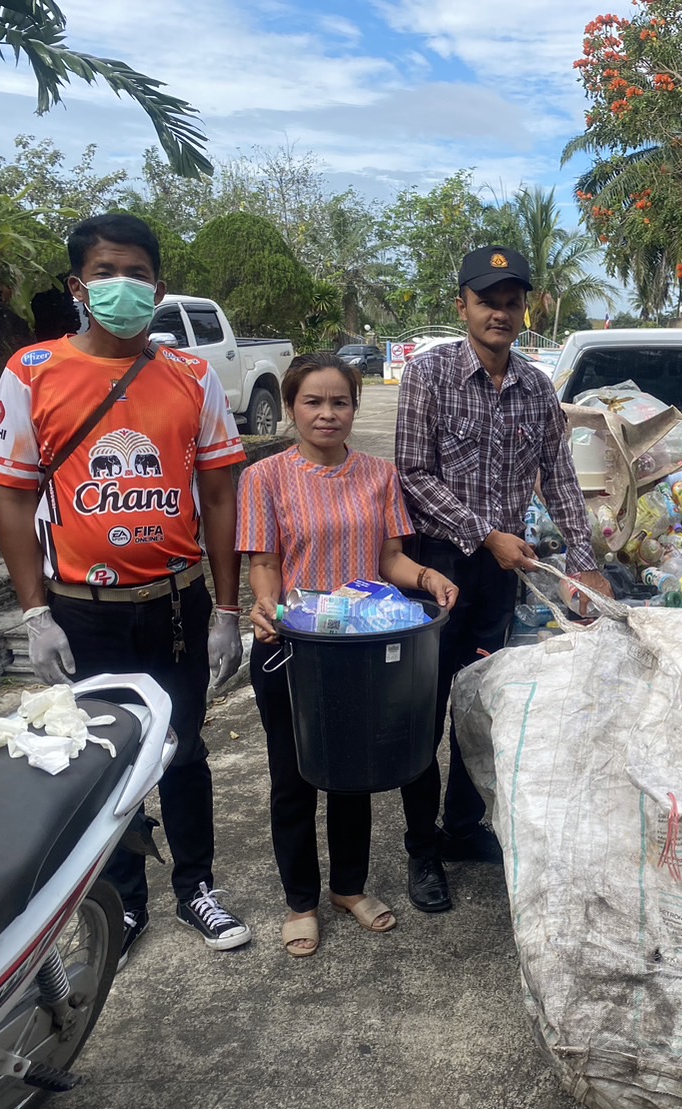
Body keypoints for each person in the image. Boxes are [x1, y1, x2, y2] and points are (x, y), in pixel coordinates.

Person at [0, 212, 251, 966]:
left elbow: (221, 496)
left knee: (184, 750)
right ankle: (123, 897)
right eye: (104, 272)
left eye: (136, 273)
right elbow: (11, 498)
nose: (121, 285)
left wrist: (228, 609)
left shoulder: (192, 376)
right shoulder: (33, 371)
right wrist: (35, 613)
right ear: (77, 286)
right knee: (102, 756)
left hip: (174, 606)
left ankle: (195, 884)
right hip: (82, 610)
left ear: (157, 288)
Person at [395, 245, 611, 908]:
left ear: (526, 311)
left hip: (500, 574)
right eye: (487, 299)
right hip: (436, 567)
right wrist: (483, 534)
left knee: (480, 698)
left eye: (511, 301)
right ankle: (421, 847)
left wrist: (585, 560)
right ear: (462, 305)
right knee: (423, 711)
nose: (499, 312)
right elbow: (412, 474)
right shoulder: (427, 376)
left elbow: (560, 475)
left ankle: (463, 828)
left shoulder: (537, 387)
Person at [237, 352, 459, 957]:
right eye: (313, 401)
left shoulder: (379, 475)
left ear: (355, 408)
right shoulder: (265, 479)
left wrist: (426, 577)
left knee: (351, 775)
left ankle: (348, 887)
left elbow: (390, 560)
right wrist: (265, 607)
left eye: (340, 402)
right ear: (291, 408)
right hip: (293, 649)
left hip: (359, 652)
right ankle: (300, 900)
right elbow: (265, 563)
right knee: (292, 774)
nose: (327, 414)